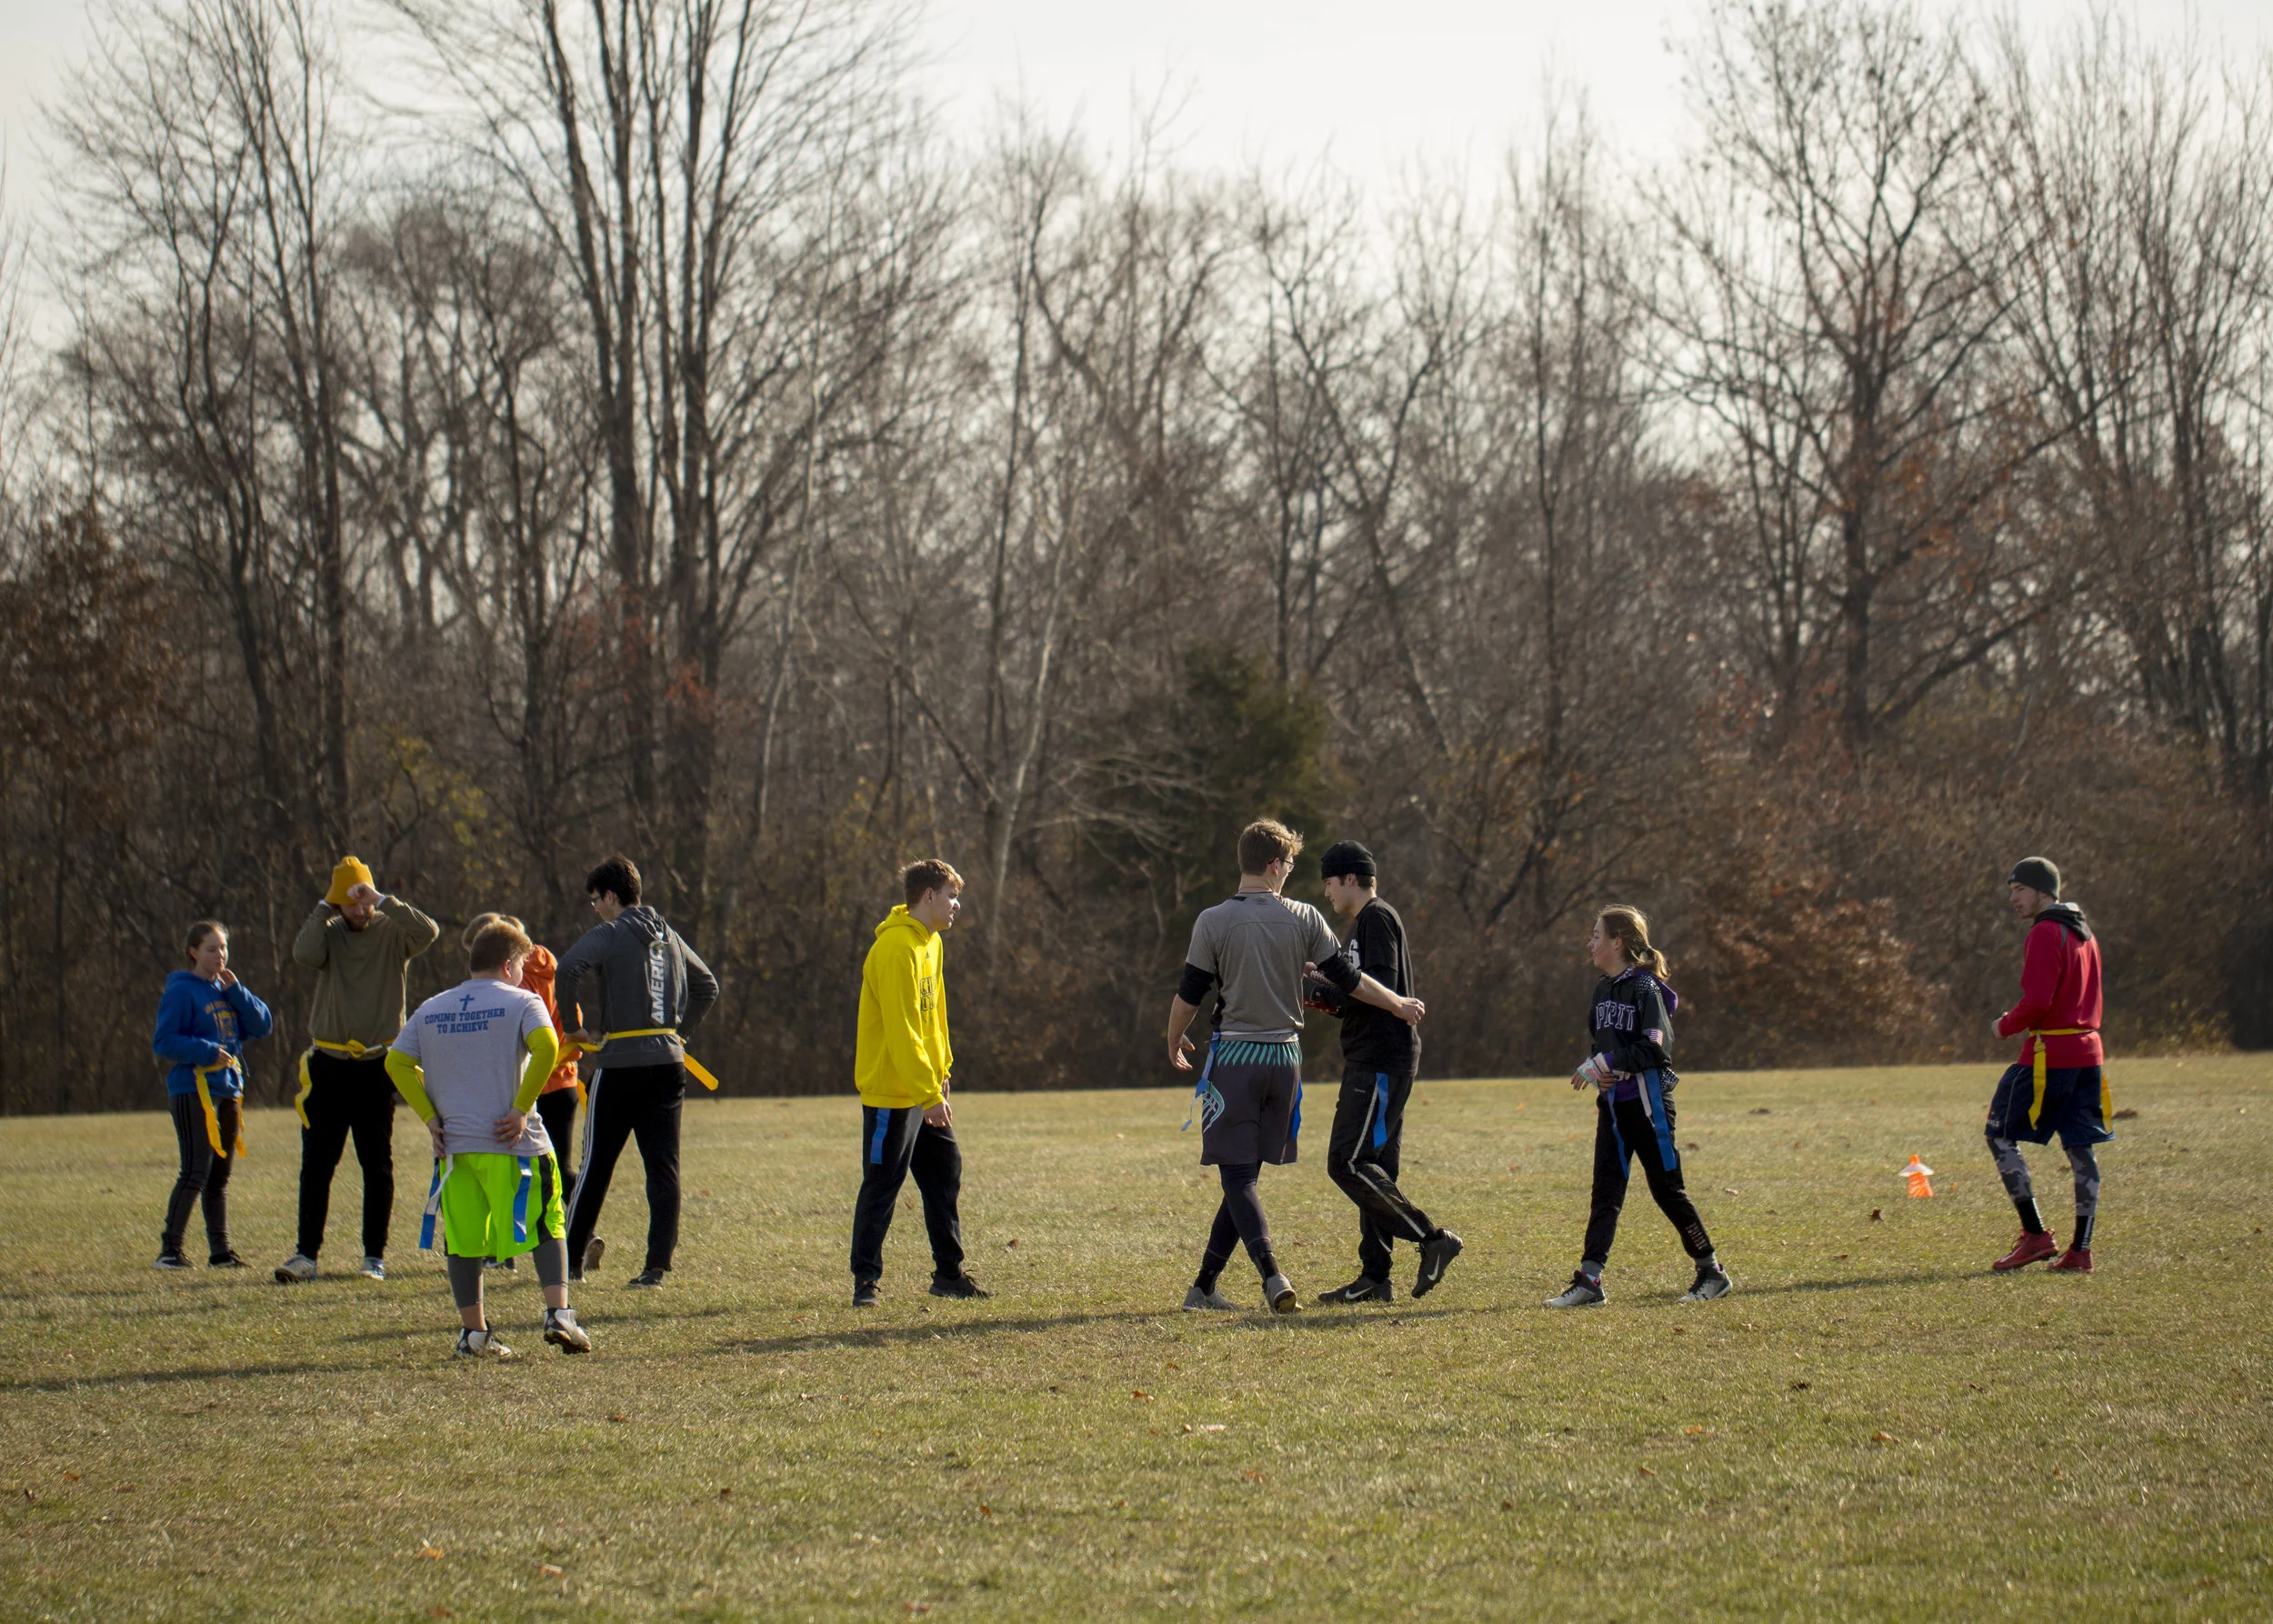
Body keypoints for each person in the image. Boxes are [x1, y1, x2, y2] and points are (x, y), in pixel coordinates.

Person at [1166, 819, 1425, 1314]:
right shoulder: (1304, 916)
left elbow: (1190, 993)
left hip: (1237, 1060)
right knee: (1245, 1175)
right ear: (1272, 865)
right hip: (1285, 1061)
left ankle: (1271, 1275)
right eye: (1288, 865)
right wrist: (1397, 1003)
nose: (1289, 874)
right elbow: (1351, 981)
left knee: (1238, 1176)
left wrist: (1173, 1035)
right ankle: (1202, 1288)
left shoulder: (1212, 921)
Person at [385, 918, 590, 1358]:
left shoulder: (433, 1006)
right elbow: (548, 1047)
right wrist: (519, 1109)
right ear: (509, 963)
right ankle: (559, 1314)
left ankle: (474, 1333)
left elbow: (396, 1062)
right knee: (546, 1223)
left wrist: (429, 1117)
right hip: (514, 1143)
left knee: (463, 1239)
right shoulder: (523, 1001)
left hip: (455, 1148)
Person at [1543, 906, 1731, 1308]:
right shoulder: (1601, 989)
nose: (1590, 942)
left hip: (1648, 1106)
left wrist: (1607, 1063)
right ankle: (1590, 1281)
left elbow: (1654, 1048)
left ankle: (1711, 1271)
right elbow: (1602, 1044)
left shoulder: (1645, 989)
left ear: (1618, 941)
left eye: (1597, 935)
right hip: (1613, 1106)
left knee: (1667, 1191)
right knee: (1605, 1193)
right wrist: (1602, 1070)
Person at [1303, 841, 1461, 1304]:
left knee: (1347, 1163)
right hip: (1376, 1058)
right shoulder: (1364, 924)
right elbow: (1360, 993)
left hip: (1378, 1063)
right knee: (1375, 1168)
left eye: (1329, 882)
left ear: (1350, 878)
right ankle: (1375, 1276)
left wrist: (1328, 986)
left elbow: (1380, 988)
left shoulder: (1376, 918)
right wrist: (1325, 990)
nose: (1326, 892)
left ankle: (1433, 1239)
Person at [557, 854, 718, 1288]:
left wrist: (573, 1029)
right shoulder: (669, 935)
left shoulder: (610, 933)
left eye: (595, 900)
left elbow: (568, 967)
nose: (595, 909)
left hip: (620, 1064)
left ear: (611, 896)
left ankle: (569, 1262)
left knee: (596, 1165)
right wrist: (678, 1035)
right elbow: (708, 986)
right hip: (668, 1065)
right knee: (663, 1167)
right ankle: (656, 1267)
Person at [277, 857, 439, 1284]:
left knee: (376, 1163)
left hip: (376, 1064)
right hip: (329, 1064)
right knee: (317, 1162)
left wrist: (384, 899)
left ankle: (373, 1257)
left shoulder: (392, 932)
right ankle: (305, 1255)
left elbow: (429, 932)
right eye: (351, 902)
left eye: (364, 900)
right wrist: (324, 908)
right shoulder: (327, 933)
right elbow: (303, 953)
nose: (360, 910)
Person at [848, 858, 989, 1308]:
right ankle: (865, 1282)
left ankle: (949, 1274)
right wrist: (926, 1094)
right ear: (927, 896)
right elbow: (902, 1028)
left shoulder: (931, 944)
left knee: (945, 1172)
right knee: (882, 1183)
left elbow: (935, 1017)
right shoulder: (895, 949)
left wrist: (942, 1071)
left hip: (926, 1087)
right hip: (894, 1093)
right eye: (950, 895)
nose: (956, 905)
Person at [1985, 857, 2110, 1275]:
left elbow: (2038, 1002)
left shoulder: (2045, 932)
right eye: (2012, 890)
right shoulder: (2083, 930)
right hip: (2088, 1054)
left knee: (1999, 1133)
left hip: (2049, 1057)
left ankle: (2035, 1235)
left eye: (2020, 890)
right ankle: (2082, 1251)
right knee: (2080, 1146)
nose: (2013, 899)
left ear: (2043, 892)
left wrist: (2006, 1025)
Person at [151, 921, 274, 1271]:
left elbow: (262, 1025)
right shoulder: (181, 991)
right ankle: (170, 1251)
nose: (219, 955)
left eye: (223, 948)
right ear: (193, 952)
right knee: (195, 1172)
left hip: (228, 1090)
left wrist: (237, 993)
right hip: (194, 1090)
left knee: (219, 1177)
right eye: (211, 948)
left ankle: (220, 1253)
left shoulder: (226, 989)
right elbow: (164, 1042)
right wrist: (205, 1051)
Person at [463, 912, 584, 1225]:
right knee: (558, 1164)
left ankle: (506, 1246)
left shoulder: (511, 985)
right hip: (563, 1081)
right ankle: (582, 1228)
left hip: (519, 1087)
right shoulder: (555, 971)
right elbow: (574, 1024)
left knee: (509, 1167)